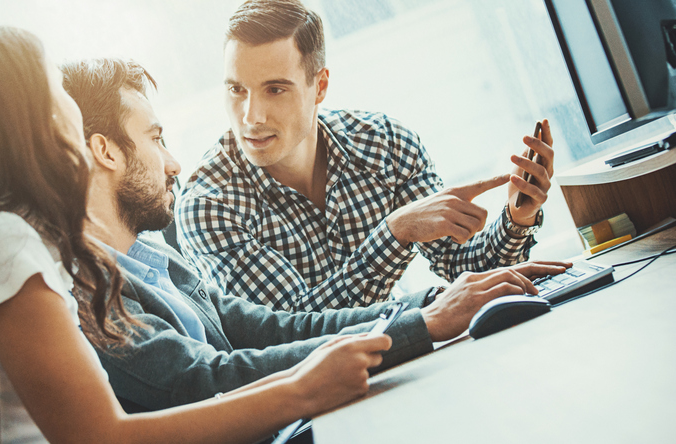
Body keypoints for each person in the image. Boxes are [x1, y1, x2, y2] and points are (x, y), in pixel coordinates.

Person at [0, 27, 395, 444]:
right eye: (52, 86)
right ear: (20, 116)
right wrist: (302, 390)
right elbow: (100, 435)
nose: (69, 106)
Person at [61, 57, 570, 413]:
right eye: (155, 138)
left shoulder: (152, 258)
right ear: (105, 152)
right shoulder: (86, 289)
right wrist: (421, 318)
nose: (174, 162)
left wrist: (443, 298)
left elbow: (278, 328)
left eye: (275, 88)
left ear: (318, 87)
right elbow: (216, 377)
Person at [176, 0, 557, 312]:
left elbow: (465, 270)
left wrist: (517, 218)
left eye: (275, 90)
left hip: (398, 360)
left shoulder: (384, 144)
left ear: (320, 85)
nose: (251, 116)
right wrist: (396, 232)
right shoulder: (208, 204)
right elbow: (294, 329)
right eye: (237, 90)